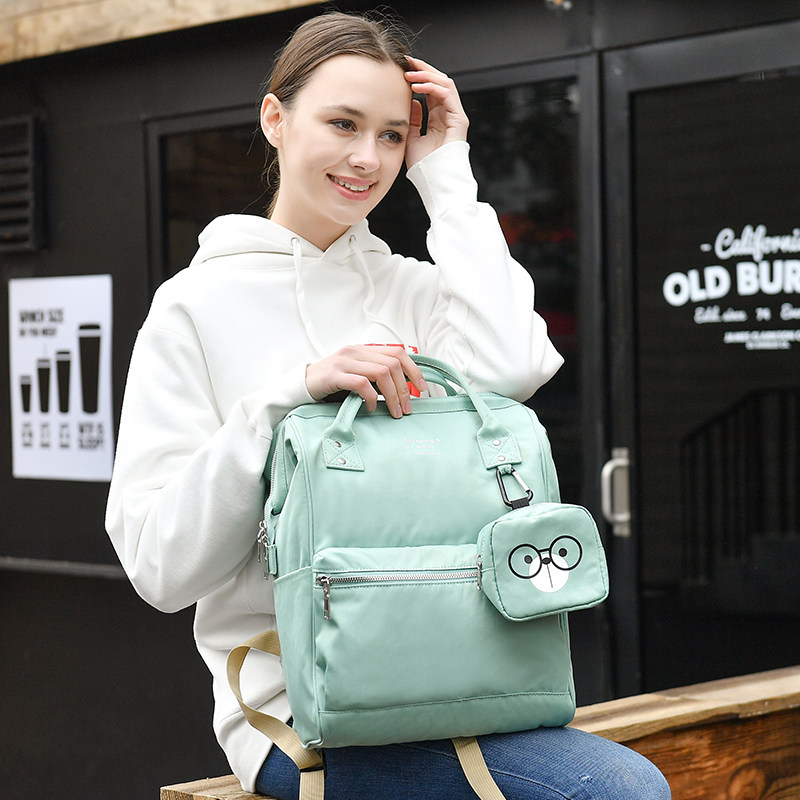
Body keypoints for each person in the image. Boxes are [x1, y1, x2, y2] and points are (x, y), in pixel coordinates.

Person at [106, 10, 670, 800]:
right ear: (275, 119)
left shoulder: (416, 289)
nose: (367, 158)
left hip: (467, 673)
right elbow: (158, 568)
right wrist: (289, 398)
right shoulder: (192, 307)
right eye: (342, 123)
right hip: (298, 710)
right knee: (614, 792)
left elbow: (515, 365)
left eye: (394, 135)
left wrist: (449, 174)